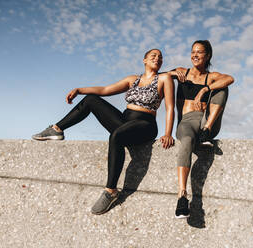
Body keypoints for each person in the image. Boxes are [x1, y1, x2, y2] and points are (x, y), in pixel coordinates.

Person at [32, 49, 175, 215]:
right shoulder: (132, 79)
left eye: (160, 57)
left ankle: (111, 191)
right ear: (144, 60)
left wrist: (168, 133)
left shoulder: (165, 79)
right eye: (153, 56)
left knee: (116, 136)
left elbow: (170, 107)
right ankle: (57, 129)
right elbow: (106, 90)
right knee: (91, 100)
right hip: (125, 120)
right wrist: (80, 90)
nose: (157, 58)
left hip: (145, 124)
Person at [168, 40, 234, 219]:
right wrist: (174, 72)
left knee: (222, 86)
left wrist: (205, 89)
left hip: (207, 121)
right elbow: (159, 76)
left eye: (200, 52)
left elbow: (230, 78)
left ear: (208, 56)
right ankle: (182, 196)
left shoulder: (211, 76)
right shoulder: (183, 72)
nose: (195, 55)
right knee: (187, 140)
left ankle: (206, 131)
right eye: (193, 51)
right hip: (187, 123)